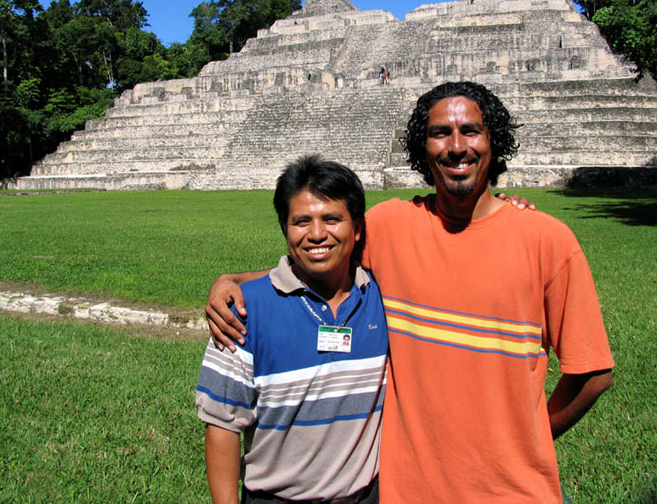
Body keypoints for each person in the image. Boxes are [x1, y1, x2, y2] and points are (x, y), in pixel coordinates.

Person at [206, 82, 614, 503]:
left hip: (515, 491)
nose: (456, 147)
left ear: (494, 143)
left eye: (471, 130)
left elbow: (593, 374)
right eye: (440, 133)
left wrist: (534, 434)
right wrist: (234, 281)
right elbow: (324, 258)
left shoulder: (548, 241)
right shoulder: (391, 226)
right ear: (422, 150)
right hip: (408, 490)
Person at [195, 155, 386, 503]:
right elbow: (222, 426)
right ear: (285, 228)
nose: (317, 234)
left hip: (366, 495)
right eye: (301, 221)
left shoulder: (382, 297)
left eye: (332, 219)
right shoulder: (240, 312)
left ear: (357, 228)